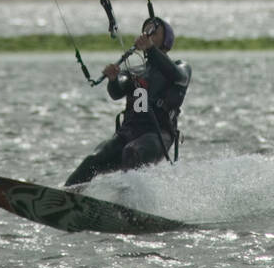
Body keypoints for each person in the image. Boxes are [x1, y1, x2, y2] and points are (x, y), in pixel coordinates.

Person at [64, 17, 191, 187]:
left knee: (132, 152)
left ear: (166, 40)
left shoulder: (181, 67)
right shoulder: (134, 71)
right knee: (92, 160)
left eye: (153, 32)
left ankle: (126, 205)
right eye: (145, 32)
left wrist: (151, 50)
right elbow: (116, 93)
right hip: (128, 133)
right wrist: (113, 79)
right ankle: (67, 198)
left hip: (157, 135)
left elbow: (177, 76)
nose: (147, 35)